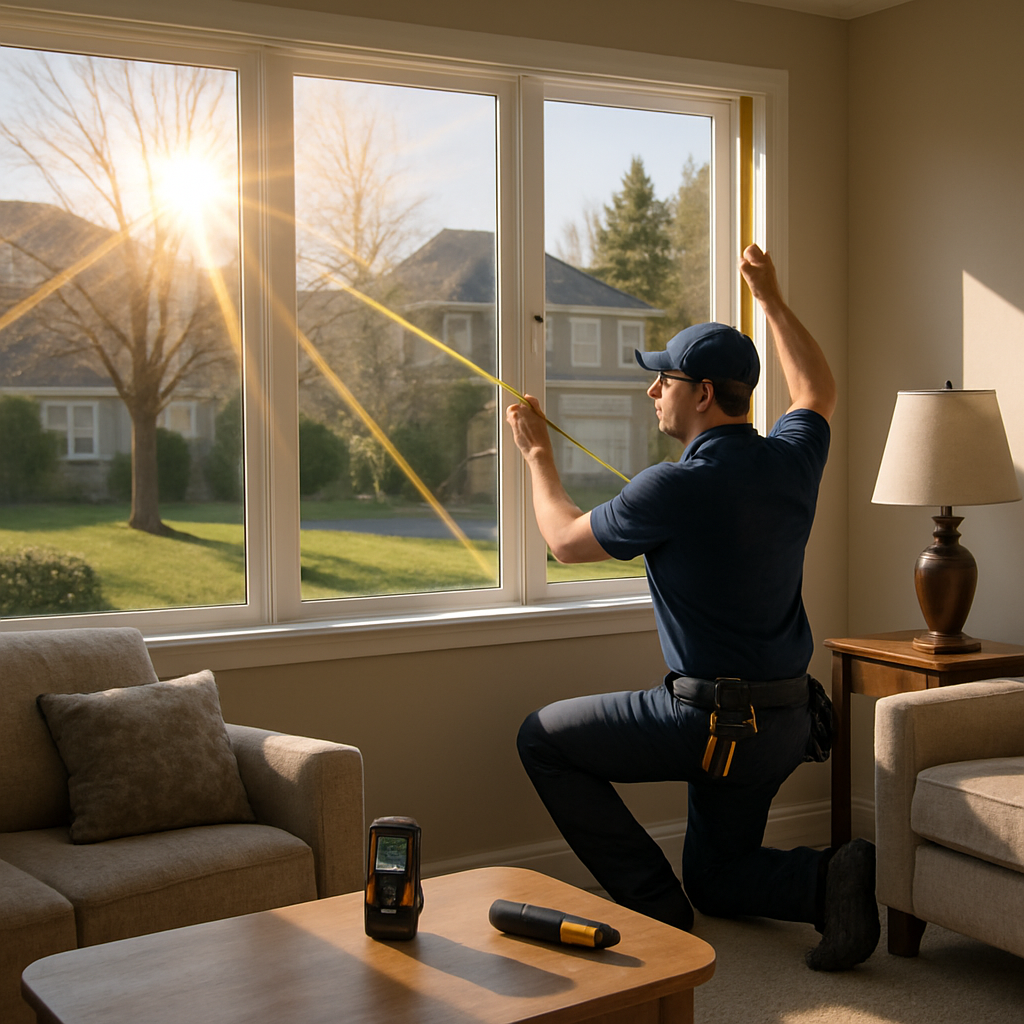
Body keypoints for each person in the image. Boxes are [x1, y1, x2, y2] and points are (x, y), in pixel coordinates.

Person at [505, 243, 879, 972]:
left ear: (703, 393)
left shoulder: (672, 486)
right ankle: (828, 877)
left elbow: (565, 543)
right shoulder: (792, 459)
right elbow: (817, 390)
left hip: (712, 725)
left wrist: (537, 456)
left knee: (541, 739)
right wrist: (770, 299)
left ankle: (653, 910)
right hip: (785, 724)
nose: (653, 392)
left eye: (664, 379)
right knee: (717, 877)